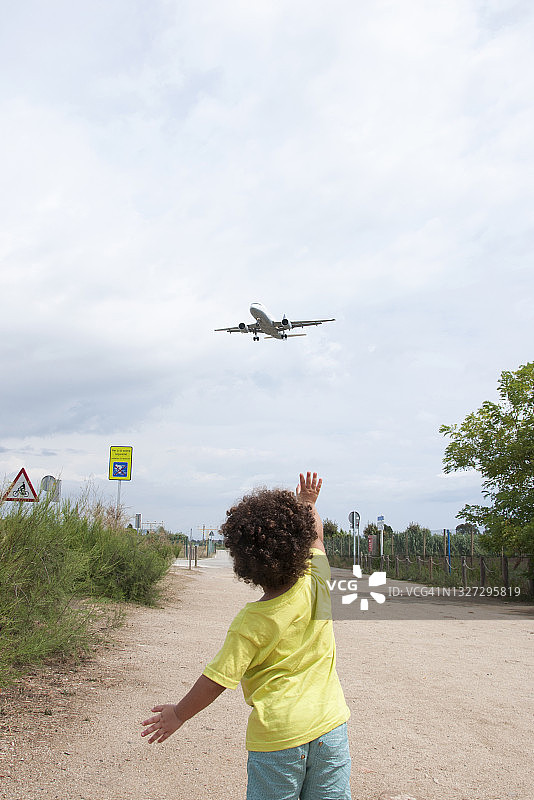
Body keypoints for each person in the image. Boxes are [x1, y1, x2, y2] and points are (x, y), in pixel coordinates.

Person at [141, 471, 352, 800]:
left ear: (245, 564)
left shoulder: (251, 622)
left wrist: (179, 714)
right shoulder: (318, 582)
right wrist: (308, 503)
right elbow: (318, 539)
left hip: (279, 738)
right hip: (331, 725)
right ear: (299, 545)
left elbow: (217, 679)